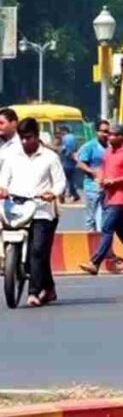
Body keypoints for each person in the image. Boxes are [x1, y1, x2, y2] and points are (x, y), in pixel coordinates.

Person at [0, 118, 65, 307]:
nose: (25, 142)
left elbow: (60, 182)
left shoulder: (50, 157)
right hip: (16, 208)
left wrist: (52, 193)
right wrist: (2, 188)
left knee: (37, 251)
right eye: (22, 138)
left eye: (28, 138)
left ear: (37, 136)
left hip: (42, 211)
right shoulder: (12, 157)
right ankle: (49, 288)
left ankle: (34, 292)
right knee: (38, 255)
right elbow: (4, 179)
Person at [78, 125, 123, 276]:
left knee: (107, 228)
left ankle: (95, 263)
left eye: (114, 135)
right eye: (109, 135)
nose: (110, 138)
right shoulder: (108, 152)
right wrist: (101, 178)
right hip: (109, 196)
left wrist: (115, 181)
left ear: (121, 136)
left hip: (121, 198)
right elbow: (103, 168)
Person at [74, 120, 110, 232]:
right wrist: (93, 172)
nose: (105, 134)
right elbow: (80, 164)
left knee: (106, 217)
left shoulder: (111, 147)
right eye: (103, 131)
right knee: (91, 218)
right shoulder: (90, 147)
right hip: (92, 187)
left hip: (108, 187)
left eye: (108, 132)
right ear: (97, 132)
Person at [58, 126, 80, 203]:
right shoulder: (74, 138)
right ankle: (74, 195)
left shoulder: (65, 138)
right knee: (71, 180)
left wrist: (60, 150)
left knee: (63, 179)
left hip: (66, 161)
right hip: (72, 162)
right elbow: (76, 149)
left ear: (63, 131)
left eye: (60, 133)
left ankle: (62, 195)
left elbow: (64, 150)